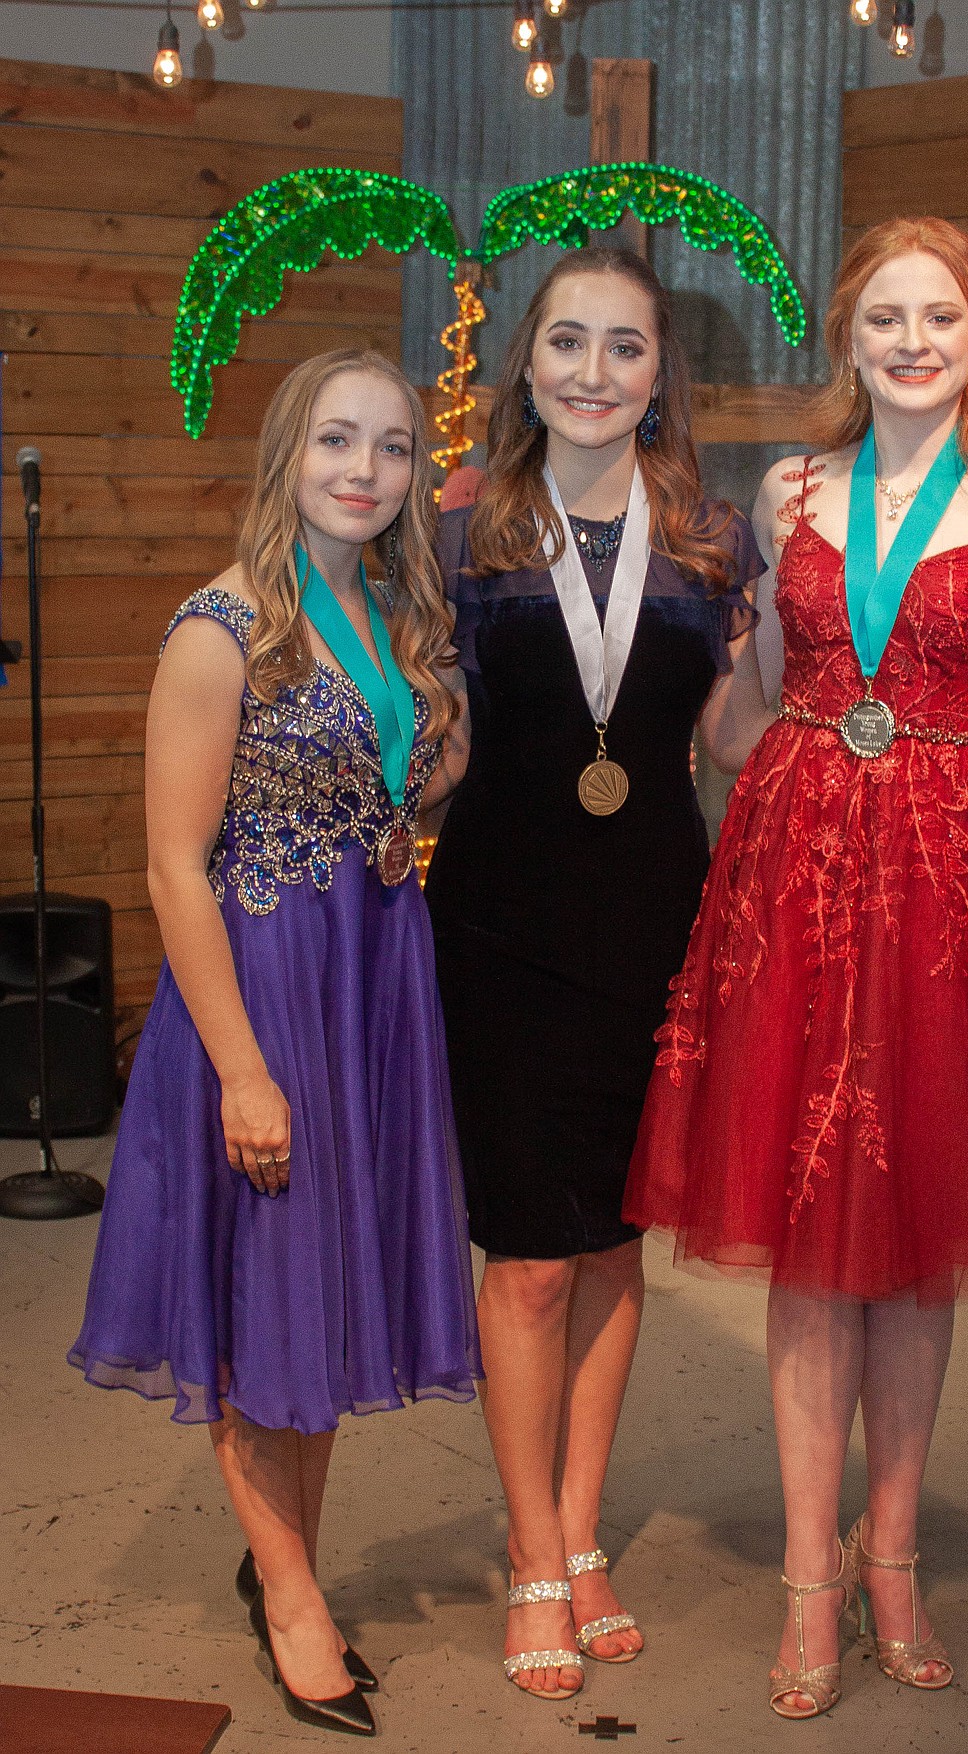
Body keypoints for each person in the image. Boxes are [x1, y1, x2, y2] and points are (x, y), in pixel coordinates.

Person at [623, 216, 968, 1719]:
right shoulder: (791, 493)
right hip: (800, 880)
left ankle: (889, 1551)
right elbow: (757, 700)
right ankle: (804, 1572)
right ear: (846, 340)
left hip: (962, 892)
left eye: (939, 317)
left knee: (911, 1243)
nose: (910, 340)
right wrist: (727, 641)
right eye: (883, 316)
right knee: (802, 1240)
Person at [69, 349, 481, 1738]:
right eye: (333, 443)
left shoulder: (389, 612)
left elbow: (411, 791)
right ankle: (294, 1595)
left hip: (372, 977)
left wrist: (445, 718)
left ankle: (284, 1556)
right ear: (283, 457)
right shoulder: (220, 626)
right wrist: (243, 1067)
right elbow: (177, 868)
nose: (363, 470)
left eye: (391, 448)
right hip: (262, 988)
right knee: (264, 1297)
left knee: (322, 1287)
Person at [424, 246, 766, 1700]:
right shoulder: (459, 531)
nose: (591, 372)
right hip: (500, 930)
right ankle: (527, 1551)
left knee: (619, 1240)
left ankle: (577, 1525)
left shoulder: (710, 536)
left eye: (623, 348)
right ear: (526, 363)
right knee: (527, 1258)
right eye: (565, 342)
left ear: (657, 377)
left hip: (652, 927)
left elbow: (736, 744)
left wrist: (817, 666)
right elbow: (428, 744)